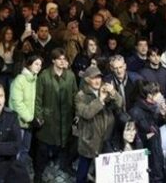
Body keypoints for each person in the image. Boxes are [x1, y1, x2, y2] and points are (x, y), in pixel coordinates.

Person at [33, 48, 78, 181]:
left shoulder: (70, 75)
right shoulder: (44, 76)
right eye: (59, 59)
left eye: (64, 59)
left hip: (66, 117)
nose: (62, 61)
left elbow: (75, 95)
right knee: (43, 148)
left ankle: (65, 165)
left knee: (65, 145)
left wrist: (77, 113)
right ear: (53, 60)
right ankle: (38, 174)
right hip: (49, 118)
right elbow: (38, 98)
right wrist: (39, 116)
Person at [75, 65, 123, 183]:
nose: (97, 81)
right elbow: (86, 113)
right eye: (93, 78)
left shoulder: (105, 90)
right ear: (87, 80)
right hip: (89, 139)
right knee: (83, 167)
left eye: (99, 78)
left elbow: (119, 103)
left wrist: (113, 92)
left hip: (106, 137)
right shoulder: (80, 96)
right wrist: (100, 99)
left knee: (102, 169)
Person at [9, 54, 42, 161]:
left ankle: (20, 172)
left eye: (40, 65)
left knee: (25, 149)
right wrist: (30, 118)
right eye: (36, 64)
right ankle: (14, 174)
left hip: (29, 123)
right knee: (17, 150)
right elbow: (17, 103)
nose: (38, 67)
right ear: (29, 65)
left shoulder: (35, 80)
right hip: (19, 122)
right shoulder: (19, 80)